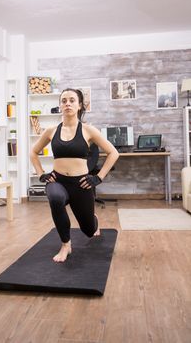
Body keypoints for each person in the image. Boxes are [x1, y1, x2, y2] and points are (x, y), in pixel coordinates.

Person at [30, 88, 119, 262]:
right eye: (64, 101)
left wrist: (98, 177)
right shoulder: (51, 131)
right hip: (58, 181)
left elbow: (113, 153)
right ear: (60, 106)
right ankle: (65, 245)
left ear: (79, 106)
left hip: (81, 184)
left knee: (88, 230)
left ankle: (94, 220)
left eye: (72, 100)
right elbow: (33, 152)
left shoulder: (88, 130)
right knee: (55, 199)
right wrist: (41, 174)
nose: (67, 104)